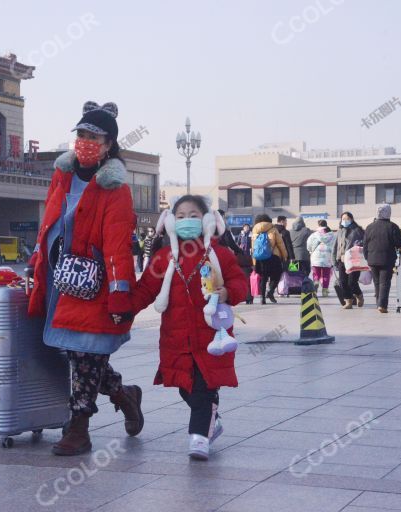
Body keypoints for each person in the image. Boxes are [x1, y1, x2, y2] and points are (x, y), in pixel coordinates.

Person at [28, 101, 143, 456]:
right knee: (75, 351)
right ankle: (124, 394)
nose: (85, 141)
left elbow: (117, 245)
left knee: (84, 354)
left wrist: (121, 290)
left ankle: (78, 429)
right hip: (60, 281)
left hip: (93, 282)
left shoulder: (115, 189)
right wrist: (36, 256)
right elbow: (48, 222)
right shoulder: (61, 176)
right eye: (81, 134)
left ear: (109, 144)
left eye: (94, 136)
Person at [129, 196, 247, 460]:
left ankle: (199, 438)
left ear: (206, 220)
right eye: (180, 216)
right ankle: (211, 420)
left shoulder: (220, 253)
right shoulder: (164, 257)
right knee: (185, 385)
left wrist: (228, 292)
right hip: (176, 335)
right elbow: (147, 288)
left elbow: (241, 282)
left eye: (193, 215)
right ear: (170, 221)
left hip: (210, 334)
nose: (186, 221)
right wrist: (124, 310)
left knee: (204, 386)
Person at [363, 204, 401, 313]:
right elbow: (399, 243)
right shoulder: (392, 227)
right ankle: (382, 305)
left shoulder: (369, 227)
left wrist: (367, 258)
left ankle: (378, 304)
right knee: (384, 282)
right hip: (387, 259)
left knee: (377, 282)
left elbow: (365, 245)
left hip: (372, 259)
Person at [251, 214, 288, 304]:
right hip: (273, 256)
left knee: (263, 278)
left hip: (260, 258)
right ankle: (271, 292)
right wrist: (284, 256)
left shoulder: (255, 230)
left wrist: (254, 262)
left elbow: (253, 248)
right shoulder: (273, 229)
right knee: (276, 276)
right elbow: (280, 244)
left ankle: (262, 298)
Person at [333, 212, 365, 309]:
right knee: (343, 282)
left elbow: (363, 242)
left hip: (354, 260)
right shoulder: (339, 231)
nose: (344, 220)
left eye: (347, 218)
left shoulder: (357, 230)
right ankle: (348, 301)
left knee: (352, 282)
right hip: (341, 260)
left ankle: (359, 295)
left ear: (351, 219)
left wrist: (358, 244)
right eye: (343, 218)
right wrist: (334, 259)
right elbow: (335, 246)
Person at [307, 220, 336, 297]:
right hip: (328, 257)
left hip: (316, 257)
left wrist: (310, 251)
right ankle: (325, 291)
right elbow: (335, 246)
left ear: (318, 225)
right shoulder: (332, 235)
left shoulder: (314, 235)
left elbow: (309, 245)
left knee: (316, 273)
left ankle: (316, 282)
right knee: (326, 275)